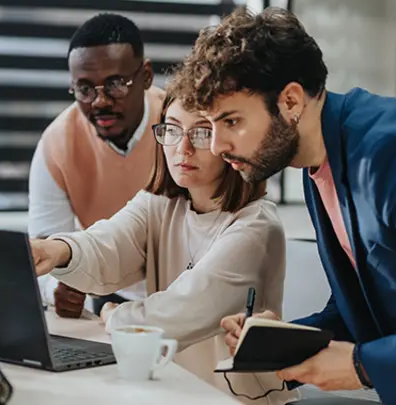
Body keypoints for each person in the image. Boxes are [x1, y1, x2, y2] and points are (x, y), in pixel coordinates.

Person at [167, 6, 396, 405]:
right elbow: (367, 303)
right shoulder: (317, 162)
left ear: (289, 101)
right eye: (211, 125)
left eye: (231, 121)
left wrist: (361, 366)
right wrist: (283, 342)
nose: (217, 145)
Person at [30, 94, 297, 404]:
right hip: (175, 393)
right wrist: (55, 250)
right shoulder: (160, 204)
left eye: (200, 132)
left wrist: (112, 313)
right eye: (172, 129)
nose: (182, 148)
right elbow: (108, 243)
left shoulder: (256, 227)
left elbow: (177, 313)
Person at [29, 13, 165, 318]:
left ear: (145, 76)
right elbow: (44, 247)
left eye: (115, 84)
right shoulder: (56, 144)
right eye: (85, 89)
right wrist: (57, 288)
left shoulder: (180, 128)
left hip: (181, 292)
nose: (100, 102)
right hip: (107, 297)